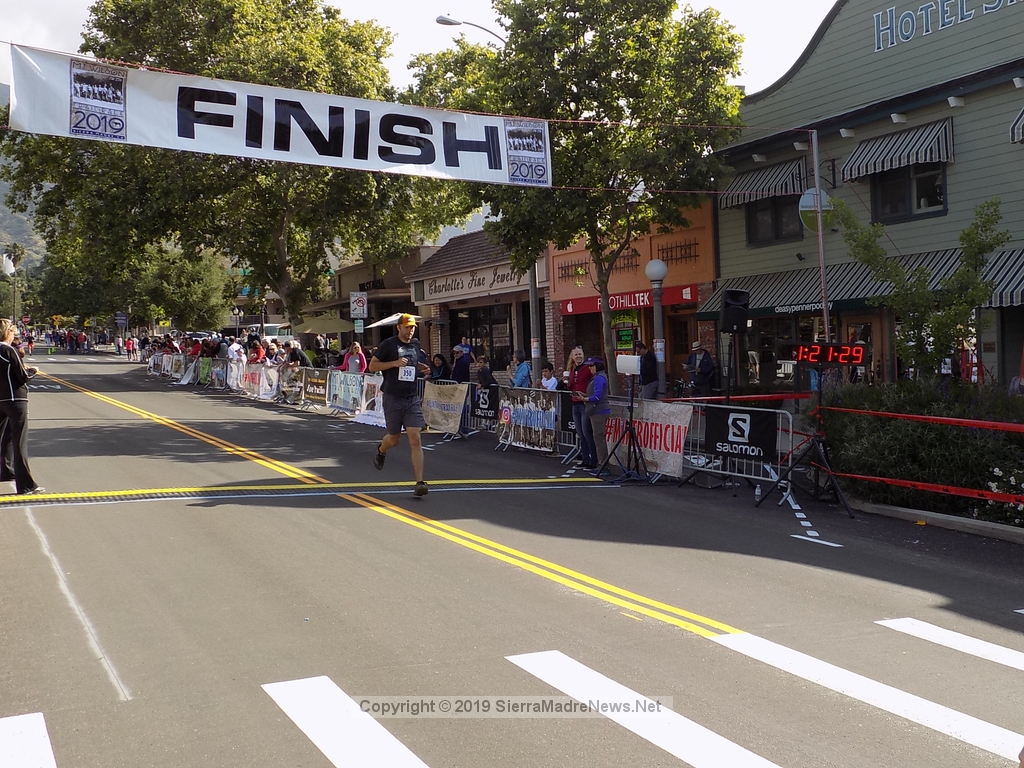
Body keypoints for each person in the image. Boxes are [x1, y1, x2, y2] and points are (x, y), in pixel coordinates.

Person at [368, 314, 432, 497]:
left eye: (412, 328)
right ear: (399, 327)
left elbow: (412, 362)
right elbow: (372, 366)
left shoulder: (416, 345)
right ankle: (381, 449)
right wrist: (394, 363)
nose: (410, 330)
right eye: (407, 327)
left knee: (415, 437)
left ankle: (420, 482)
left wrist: (421, 367)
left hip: (411, 397)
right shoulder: (389, 344)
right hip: (392, 397)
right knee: (394, 439)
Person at [0, 319, 43, 495]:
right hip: (15, 398)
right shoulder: (8, 350)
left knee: (6, 438)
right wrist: (33, 371)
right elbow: (23, 376)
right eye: (13, 332)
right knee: (19, 441)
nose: (14, 335)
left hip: (1, 399)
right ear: (7, 333)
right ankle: (26, 485)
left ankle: (7, 471)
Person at [573, 356, 611, 476]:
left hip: (598, 412)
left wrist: (585, 399)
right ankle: (601, 464)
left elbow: (598, 396)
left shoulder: (599, 378)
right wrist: (584, 395)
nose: (589, 368)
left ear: (598, 366)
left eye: (591, 365)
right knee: (597, 438)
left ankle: (603, 466)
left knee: (599, 439)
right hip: (596, 411)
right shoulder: (598, 377)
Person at [567, 346, 595, 468]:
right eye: (576, 355)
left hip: (584, 403)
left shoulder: (587, 368)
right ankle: (585, 459)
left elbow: (592, 382)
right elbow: (571, 386)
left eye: (580, 354)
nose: (578, 356)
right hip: (575, 403)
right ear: (573, 357)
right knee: (580, 433)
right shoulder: (573, 369)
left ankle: (593, 460)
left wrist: (587, 396)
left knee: (586, 432)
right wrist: (567, 382)